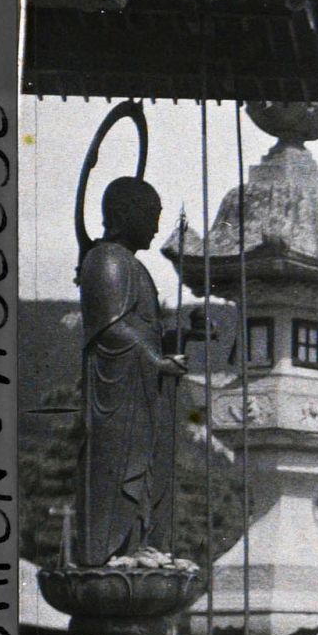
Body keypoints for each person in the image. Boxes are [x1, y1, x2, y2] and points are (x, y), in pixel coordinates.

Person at [77, 176, 183, 567]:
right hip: (118, 393)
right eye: (152, 216)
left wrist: (179, 339)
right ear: (125, 215)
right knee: (118, 470)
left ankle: (138, 544)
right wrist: (155, 361)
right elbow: (110, 328)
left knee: (146, 474)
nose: (157, 227)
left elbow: (142, 328)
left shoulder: (134, 266)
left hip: (143, 393)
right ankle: (108, 552)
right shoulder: (106, 259)